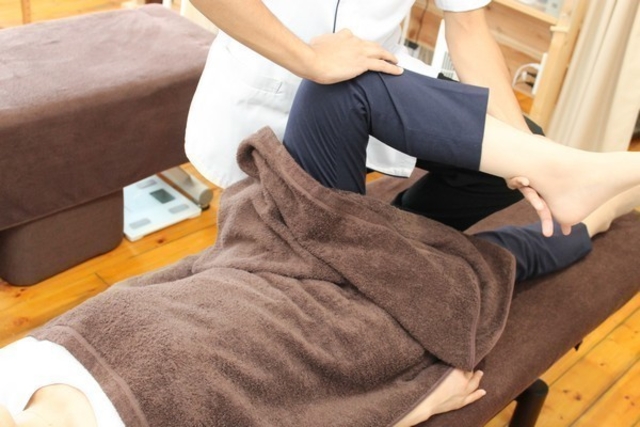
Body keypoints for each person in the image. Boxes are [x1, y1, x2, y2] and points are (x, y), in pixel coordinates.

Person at [1, 71, 640, 427]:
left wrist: (248, 241)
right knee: (491, 261)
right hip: (348, 324)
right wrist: (413, 408)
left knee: (341, 88)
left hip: (271, 255)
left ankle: (564, 173)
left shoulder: (14, 371)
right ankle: (602, 209)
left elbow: (170, 283)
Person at [184, 0, 542, 230]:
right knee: (321, 230)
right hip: (273, 80)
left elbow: (468, 28)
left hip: (379, 79)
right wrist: (312, 61)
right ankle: (356, 249)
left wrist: (529, 153)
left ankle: (390, 239)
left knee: (509, 158)